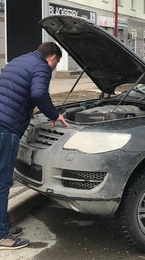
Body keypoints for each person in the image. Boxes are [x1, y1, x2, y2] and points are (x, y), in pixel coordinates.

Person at [0, 42, 68, 250]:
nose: (54, 68)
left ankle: (3, 226)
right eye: (56, 64)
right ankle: (2, 236)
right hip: (6, 128)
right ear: (53, 59)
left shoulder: (19, 60)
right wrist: (54, 114)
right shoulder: (41, 67)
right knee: (2, 183)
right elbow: (39, 94)